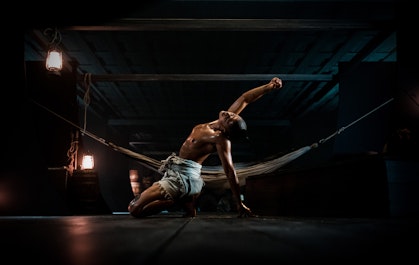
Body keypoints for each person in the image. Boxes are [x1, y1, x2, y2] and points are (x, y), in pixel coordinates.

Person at [128, 77, 283, 218]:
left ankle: (175, 199)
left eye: (230, 120)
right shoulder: (222, 120)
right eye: (234, 115)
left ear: (224, 130)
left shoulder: (220, 139)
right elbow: (245, 99)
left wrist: (239, 203)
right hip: (179, 173)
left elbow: (230, 171)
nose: (230, 115)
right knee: (187, 213)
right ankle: (186, 201)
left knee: (134, 209)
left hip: (182, 179)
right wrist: (268, 87)